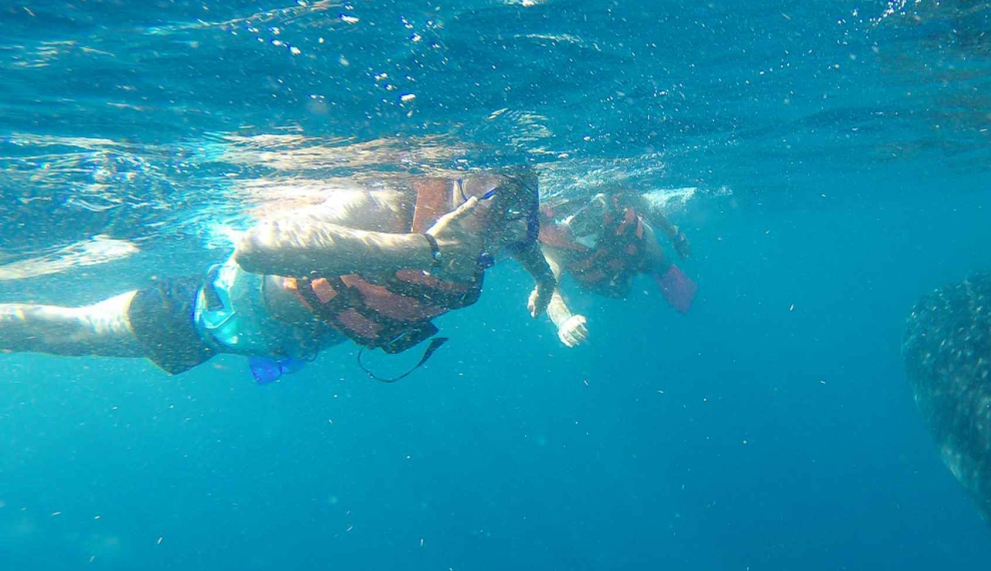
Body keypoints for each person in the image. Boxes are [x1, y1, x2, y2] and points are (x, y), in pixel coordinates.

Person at [0, 168, 588, 381]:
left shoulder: (497, 223)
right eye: (492, 199)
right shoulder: (387, 205)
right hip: (201, 315)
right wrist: (425, 246)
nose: (503, 220)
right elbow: (259, 246)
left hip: (277, 341)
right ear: (459, 181)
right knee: (68, 334)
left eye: (516, 203)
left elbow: (525, 246)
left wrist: (543, 283)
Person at [538, 189, 697, 314]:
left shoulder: (614, 201)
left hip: (636, 249)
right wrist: (564, 320)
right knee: (620, 291)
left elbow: (647, 208)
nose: (581, 220)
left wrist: (676, 236)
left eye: (588, 210)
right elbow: (547, 286)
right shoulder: (555, 249)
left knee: (657, 260)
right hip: (605, 279)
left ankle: (662, 273)